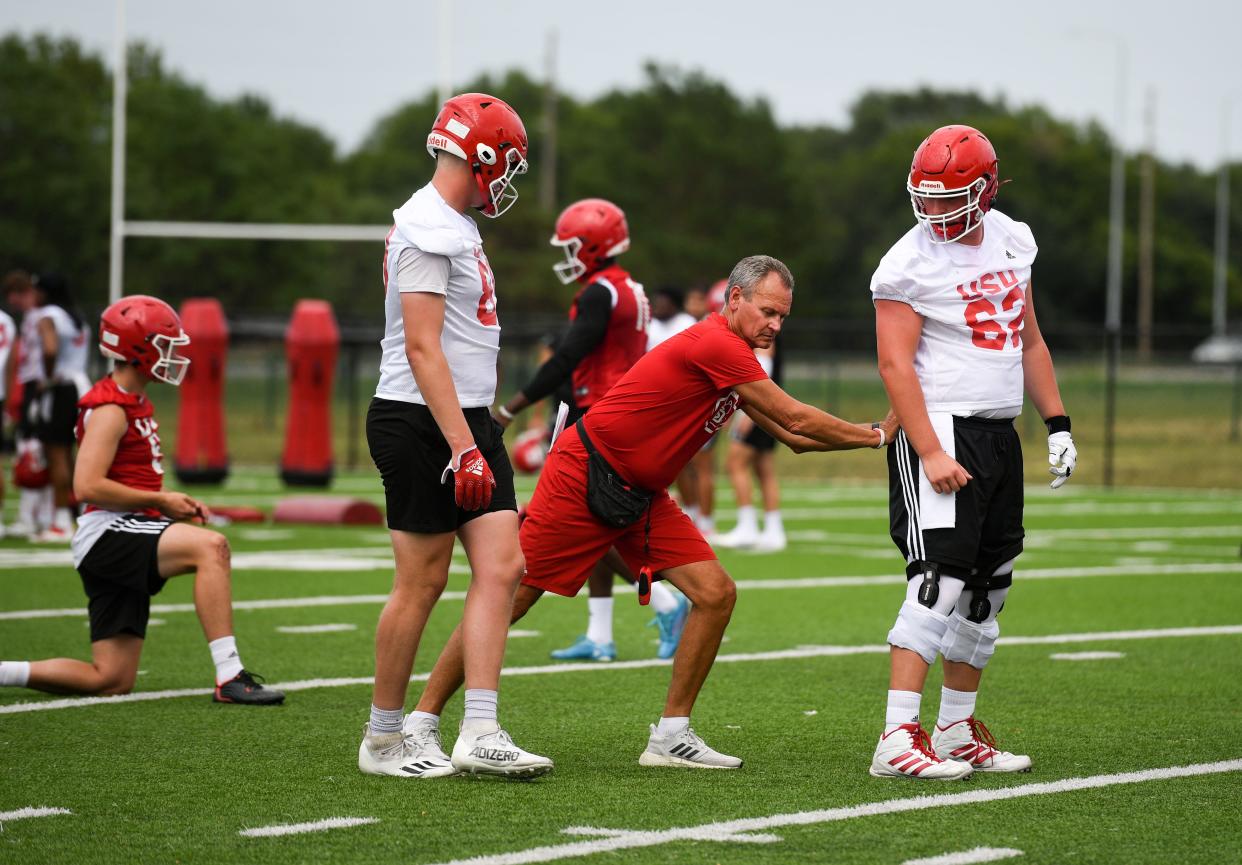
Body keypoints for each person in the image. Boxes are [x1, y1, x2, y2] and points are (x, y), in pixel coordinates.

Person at [411, 254, 897, 770]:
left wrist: (871, 434)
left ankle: (671, 735)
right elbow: (794, 416)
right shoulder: (718, 344)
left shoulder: (737, 355)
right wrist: (877, 434)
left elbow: (792, 439)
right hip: (586, 474)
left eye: (783, 317)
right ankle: (422, 723)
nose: (776, 325)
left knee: (715, 594)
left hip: (640, 494)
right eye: (769, 312)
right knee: (510, 598)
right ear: (735, 300)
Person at [868, 125, 1077, 780]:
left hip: (997, 431)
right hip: (942, 425)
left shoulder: (1014, 239)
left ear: (985, 190)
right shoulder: (907, 263)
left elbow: (1030, 341)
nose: (933, 213)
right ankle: (897, 736)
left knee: (989, 591)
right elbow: (893, 364)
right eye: (924, 199)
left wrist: (1058, 422)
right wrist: (928, 449)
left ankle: (955, 727)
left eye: (947, 199)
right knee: (937, 583)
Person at [360, 92, 552, 780]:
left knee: (504, 565)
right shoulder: (425, 226)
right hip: (421, 418)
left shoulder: (452, 222)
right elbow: (421, 346)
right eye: (508, 167)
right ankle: (383, 738)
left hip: (465, 415)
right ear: (484, 156)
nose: (509, 183)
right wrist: (462, 444)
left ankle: (480, 727)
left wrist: (475, 430)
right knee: (422, 580)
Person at [0, 295, 284, 705]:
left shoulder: (131, 400)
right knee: (211, 547)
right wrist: (162, 500)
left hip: (119, 530)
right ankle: (230, 675)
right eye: (165, 346)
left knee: (111, 678)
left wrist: (165, 502)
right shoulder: (112, 408)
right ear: (139, 349)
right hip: (108, 533)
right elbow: (87, 485)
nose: (171, 356)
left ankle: (5, 672)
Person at [494, 199, 688, 663]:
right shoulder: (631, 288)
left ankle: (666, 600)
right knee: (598, 525)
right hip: (617, 414)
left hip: (599, 419)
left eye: (575, 245)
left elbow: (567, 358)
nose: (568, 254)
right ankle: (600, 635)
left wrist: (510, 409)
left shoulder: (600, 292)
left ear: (595, 245)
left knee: (580, 529)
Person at [30, 273, 92, 543]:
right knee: (75, 456)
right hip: (81, 386)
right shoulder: (76, 317)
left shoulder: (48, 315)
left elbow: (51, 349)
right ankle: (79, 515)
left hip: (61, 387)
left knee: (58, 454)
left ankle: (60, 521)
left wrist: (47, 377)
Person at [713, 337, 786, 551]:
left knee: (735, 464)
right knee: (764, 468)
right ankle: (774, 529)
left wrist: (747, 415)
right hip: (771, 405)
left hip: (759, 407)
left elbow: (764, 365)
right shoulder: (769, 326)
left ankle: (748, 526)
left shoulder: (764, 327)